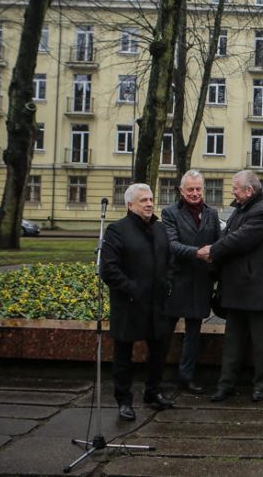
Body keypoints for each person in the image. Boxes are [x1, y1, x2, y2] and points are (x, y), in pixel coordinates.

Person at [198, 170, 263, 403]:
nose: (232, 191)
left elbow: (239, 240)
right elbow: (227, 236)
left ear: (249, 190)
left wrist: (212, 251)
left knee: (260, 343)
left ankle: (260, 386)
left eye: (235, 187)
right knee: (232, 342)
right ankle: (226, 384)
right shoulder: (240, 210)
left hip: (257, 289)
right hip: (236, 288)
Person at [100, 183, 174, 421]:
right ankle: (124, 401)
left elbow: (170, 260)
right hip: (129, 304)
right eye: (143, 200)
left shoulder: (160, 229)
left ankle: (153, 392)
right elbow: (108, 269)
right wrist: (132, 289)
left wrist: (168, 283)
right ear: (130, 204)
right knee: (123, 355)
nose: (150, 203)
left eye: (151, 199)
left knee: (158, 350)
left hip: (157, 304)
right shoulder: (116, 230)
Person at [161, 170, 221, 394]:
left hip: (201, 283)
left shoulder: (211, 214)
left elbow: (218, 244)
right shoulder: (169, 213)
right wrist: (199, 253)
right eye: (190, 189)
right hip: (177, 282)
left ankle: (186, 377)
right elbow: (171, 245)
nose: (195, 193)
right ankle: (155, 376)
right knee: (164, 332)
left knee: (194, 334)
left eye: (198, 189)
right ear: (181, 191)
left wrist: (215, 268)